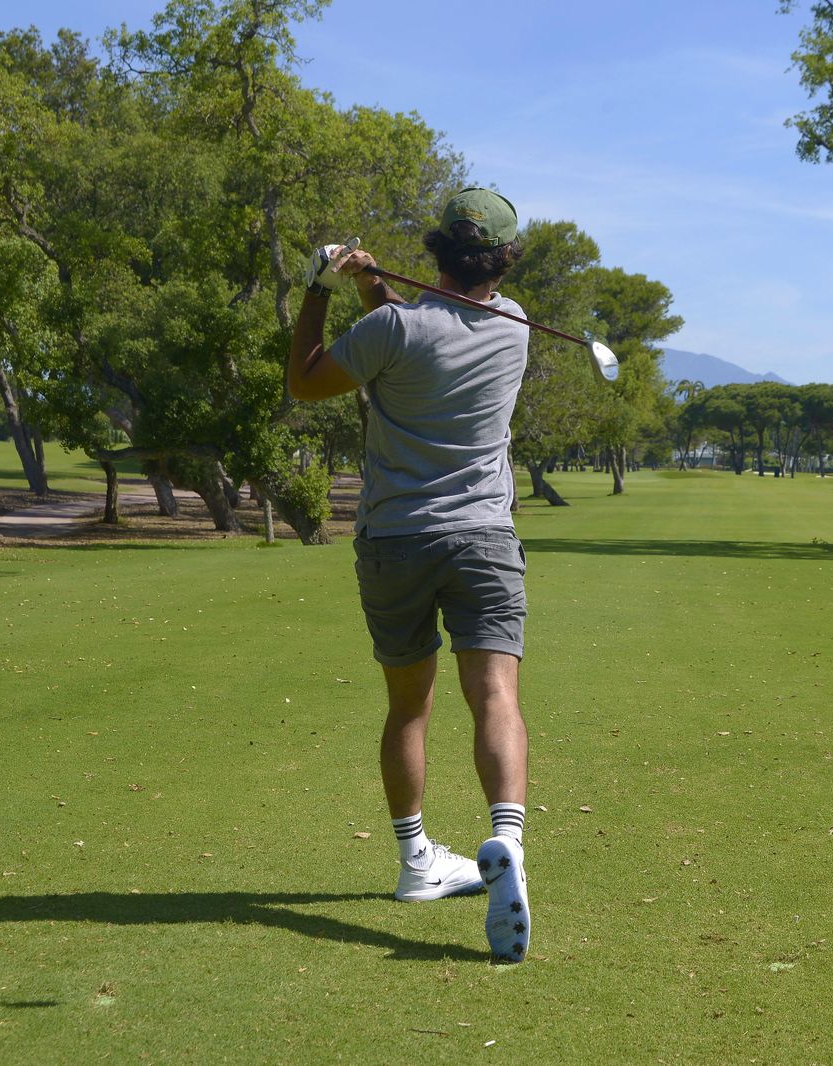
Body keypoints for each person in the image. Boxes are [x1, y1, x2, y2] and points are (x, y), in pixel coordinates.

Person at [285, 188, 533, 964]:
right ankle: (507, 840)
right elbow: (430, 330)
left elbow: (308, 380)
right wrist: (370, 287)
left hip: (396, 538)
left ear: (435, 251)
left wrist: (321, 291)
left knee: (409, 709)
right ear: (501, 258)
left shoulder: (390, 329)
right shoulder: (517, 323)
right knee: (493, 693)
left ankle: (416, 860)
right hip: (485, 537)